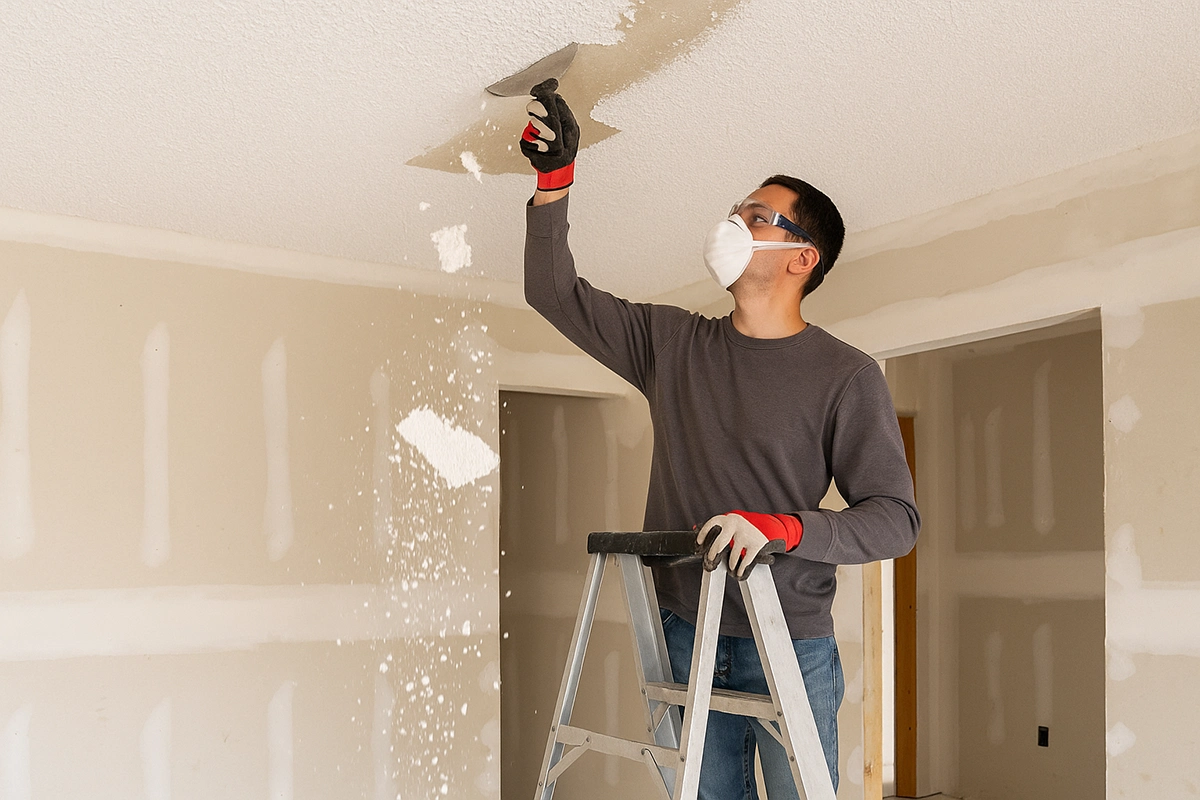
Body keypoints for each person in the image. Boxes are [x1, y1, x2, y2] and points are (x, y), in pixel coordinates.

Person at [520, 78, 919, 797]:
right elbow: (554, 293)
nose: (734, 222)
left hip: (788, 638)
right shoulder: (672, 344)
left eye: (757, 216)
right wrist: (554, 184)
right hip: (686, 628)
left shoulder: (846, 375)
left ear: (802, 258)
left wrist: (784, 529)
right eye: (736, 211)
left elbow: (895, 521)